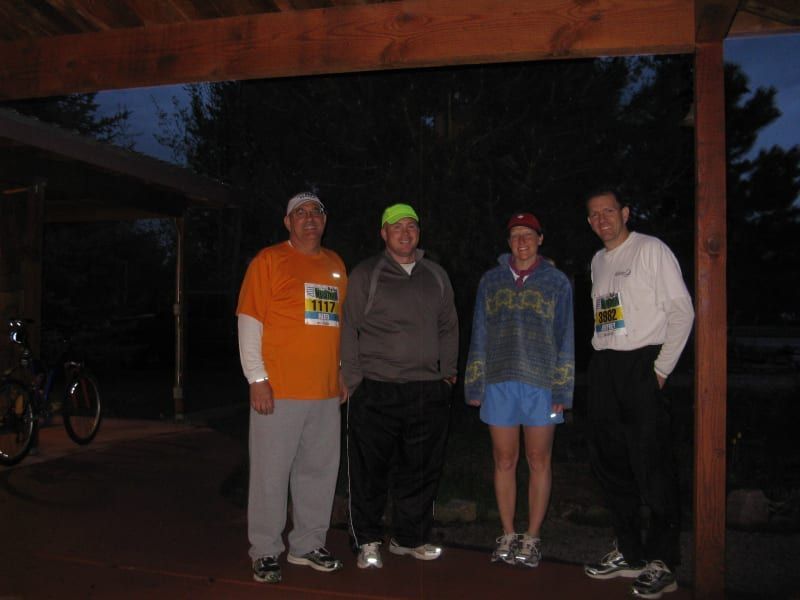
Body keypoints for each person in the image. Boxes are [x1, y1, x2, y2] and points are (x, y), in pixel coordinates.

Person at [583, 190, 694, 599]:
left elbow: (682, 311)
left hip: (642, 366)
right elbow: (608, 316)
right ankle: (629, 552)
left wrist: (661, 369)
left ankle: (663, 561)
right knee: (610, 464)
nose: (602, 219)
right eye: (594, 215)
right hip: (606, 367)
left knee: (654, 465)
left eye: (609, 211)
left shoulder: (651, 250)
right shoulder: (598, 261)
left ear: (625, 213)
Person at [236, 191, 348, 584]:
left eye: (316, 211)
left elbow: (333, 325)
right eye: (300, 213)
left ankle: (307, 545)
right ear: (288, 223)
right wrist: (257, 378)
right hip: (277, 391)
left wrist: (339, 373)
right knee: (270, 475)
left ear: (324, 219)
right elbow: (249, 321)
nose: (309, 218)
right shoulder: (269, 260)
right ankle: (265, 551)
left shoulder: (335, 265)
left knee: (318, 472)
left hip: (323, 393)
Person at [341, 203, 458, 570]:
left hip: (427, 390)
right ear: (383, 233)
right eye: (396, 227)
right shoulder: (366, 274)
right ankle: (368, 540)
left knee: (421, 471)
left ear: (418, 232)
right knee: (369, 472)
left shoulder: (436, 275)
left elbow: (449, 326)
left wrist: (448, 373)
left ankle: (410, 538)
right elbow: (348, 327)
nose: (405, 232)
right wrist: (353, 380)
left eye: (411, 226)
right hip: (377, 388)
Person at [464, 211, 574, 568]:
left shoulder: (557, 282)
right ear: (508, 241)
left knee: (539, 459)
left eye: (529, 234)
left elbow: (566, 337)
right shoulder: (491, 281)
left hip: (542, 384)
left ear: (540, 239)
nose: (521, 241)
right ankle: (509, 533)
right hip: (499, 381)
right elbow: (479, 332)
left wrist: (563, 389)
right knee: (504, 459)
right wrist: (475, 381)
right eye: (515, 235)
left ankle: (533, 536)